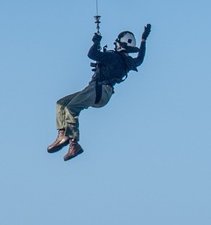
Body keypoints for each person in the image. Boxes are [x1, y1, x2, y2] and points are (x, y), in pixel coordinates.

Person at [48, 21, 151, 161]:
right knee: (61, 103)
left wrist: (96, 42)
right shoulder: (128, 62)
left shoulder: (113, 57)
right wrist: (144, 39)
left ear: (120, 44)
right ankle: (62, 135)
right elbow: (140, 59)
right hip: (102, 94)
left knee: (71, 107)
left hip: (98, 89)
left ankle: (73, 143)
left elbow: (92, 54)